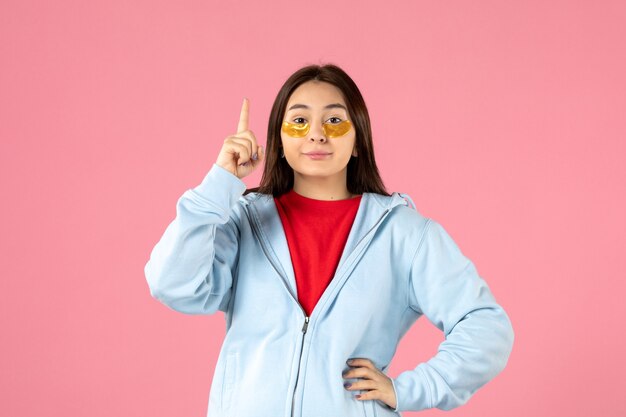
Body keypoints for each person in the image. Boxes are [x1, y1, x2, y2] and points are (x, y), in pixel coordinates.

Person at [144, 63, 514, 417]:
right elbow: (173, 285)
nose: (317, 133)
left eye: (335, 121)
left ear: (357, 142)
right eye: (300, 121)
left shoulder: (405, 234)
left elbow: (486, 327)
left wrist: (409, 389)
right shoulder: (242, 220)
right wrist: (219, 183)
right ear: (279, 140)